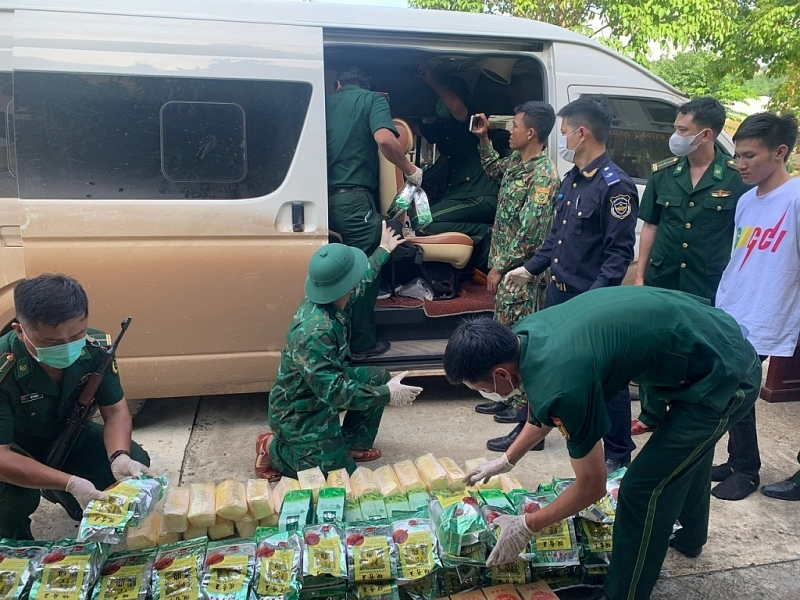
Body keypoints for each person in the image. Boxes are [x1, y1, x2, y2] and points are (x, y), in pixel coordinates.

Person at [444, 286, 761, 600]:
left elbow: (592, 485)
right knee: (682, 457)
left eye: (478, 386)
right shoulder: (525, 335)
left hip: (725, 374)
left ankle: (624, 592)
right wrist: (507, 459)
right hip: (703, 343)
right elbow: (542, 411)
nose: (481, 392)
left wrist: (529, 524)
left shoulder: (565, 385)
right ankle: (690, 537)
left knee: (642, 489)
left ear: (501, 374)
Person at [504, 95, 638, 473]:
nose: (561, 140)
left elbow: (618, 256)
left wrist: (592, 304)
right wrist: (530, 269)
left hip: (588, 301)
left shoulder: (616, 187)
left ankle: (616, 452)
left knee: (604, 379)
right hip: (557, 296)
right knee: (541, 366)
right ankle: (532, 433)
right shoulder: (572, 180)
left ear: (582, 133)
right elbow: (557, 238)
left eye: (564, 133)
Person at [254, 223, 423, 481]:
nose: (357, 282)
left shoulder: (333, 298)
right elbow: (334, 393)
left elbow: (362, 279)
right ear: (343, 287)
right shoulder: (315, 332)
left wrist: (383, 249)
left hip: (320, 393)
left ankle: (351, 444)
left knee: (377, 376)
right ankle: (273, 447)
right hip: (300, 412)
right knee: (336, 477)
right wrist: (387, 394)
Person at [0, 274, 151, 540]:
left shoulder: (95, 348)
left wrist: (119, 456)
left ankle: (73, 500)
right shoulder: (3, 366)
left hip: (67, 433)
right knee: (10, 499)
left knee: (133, 465)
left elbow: (115, 411)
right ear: (20, 331)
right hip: (14, 447)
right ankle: (14, 551)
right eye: (52, 343)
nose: (68, 346)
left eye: (77, 334)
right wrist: (69, 481)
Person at [630, 97, 748, 436]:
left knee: (701, 348)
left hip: (707, 278)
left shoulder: (734, 178)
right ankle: (650, 413)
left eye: (683, 130)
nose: (675, 135)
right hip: (663, 275)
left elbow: (742, 232)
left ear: (705, 134)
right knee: (656, 343)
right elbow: (650, 225)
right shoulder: (665, 172)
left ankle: (692, 411)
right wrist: (640, 276)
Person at [712, 111, 800, 501]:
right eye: (737, 155)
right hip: (738, 308)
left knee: (740, 388)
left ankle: (747, 470)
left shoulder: (795, 199)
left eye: (749, 156)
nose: (740, 164)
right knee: (734, 385)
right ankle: (738, 461)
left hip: (774, 309)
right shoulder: (747, 201)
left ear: (780, 152)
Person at [469, 102, 560, 451]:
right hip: (507, 273)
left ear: (531, 132)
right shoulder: (518, 164)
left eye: (515, 125)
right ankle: (508, 400)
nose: (510, 130)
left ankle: (527, 426)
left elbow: (532, 235)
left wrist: (499, 265)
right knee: (504, 334)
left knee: (523, 348)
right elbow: (494, 170)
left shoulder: (542, 176)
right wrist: (482, 139)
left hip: (520, 274)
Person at [326, 66, 423, 359]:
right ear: (367, 84)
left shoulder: (322, 102)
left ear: (338, 84)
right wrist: (410, 170)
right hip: (354, 202)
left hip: (323, 200)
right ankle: (363, 343)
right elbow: (384, 139)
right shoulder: (372, 100)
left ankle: (338, 335)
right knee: (369, 262)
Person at [415, 67, 499, 244]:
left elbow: (456, 107)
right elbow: (414, 128)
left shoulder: (474, 120)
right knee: (420, 216)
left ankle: (486, 232)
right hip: (460, 194)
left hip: (479, 195)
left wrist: (431, 80)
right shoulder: (446, 127)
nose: (441, 102)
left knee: (425, 223)